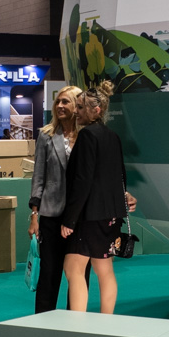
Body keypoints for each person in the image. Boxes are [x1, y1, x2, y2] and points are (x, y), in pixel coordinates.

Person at [60, 81, 135, 315]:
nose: (76, 111)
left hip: (88, 216)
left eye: (81, 107)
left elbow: (82, 181)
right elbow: (121, 175)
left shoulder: (87, 136)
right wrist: (122, 199)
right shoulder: (113, 136)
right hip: (111, 215)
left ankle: (77, 324)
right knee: (104, 269)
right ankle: (106, 321)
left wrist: (69, 219)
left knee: (73, 269)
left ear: (97, 110)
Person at [29, 86, 88, 314]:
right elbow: (38, 178)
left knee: (78, 274)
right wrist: (34, 215)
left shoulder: (87, 135)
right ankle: (43, 321)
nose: (60, 106)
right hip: (51, 215)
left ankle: (75, 322)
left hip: (81, 217)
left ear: (77, 106)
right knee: (49, 273)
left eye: (66, 102)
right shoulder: (46, 135)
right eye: (58, 102)